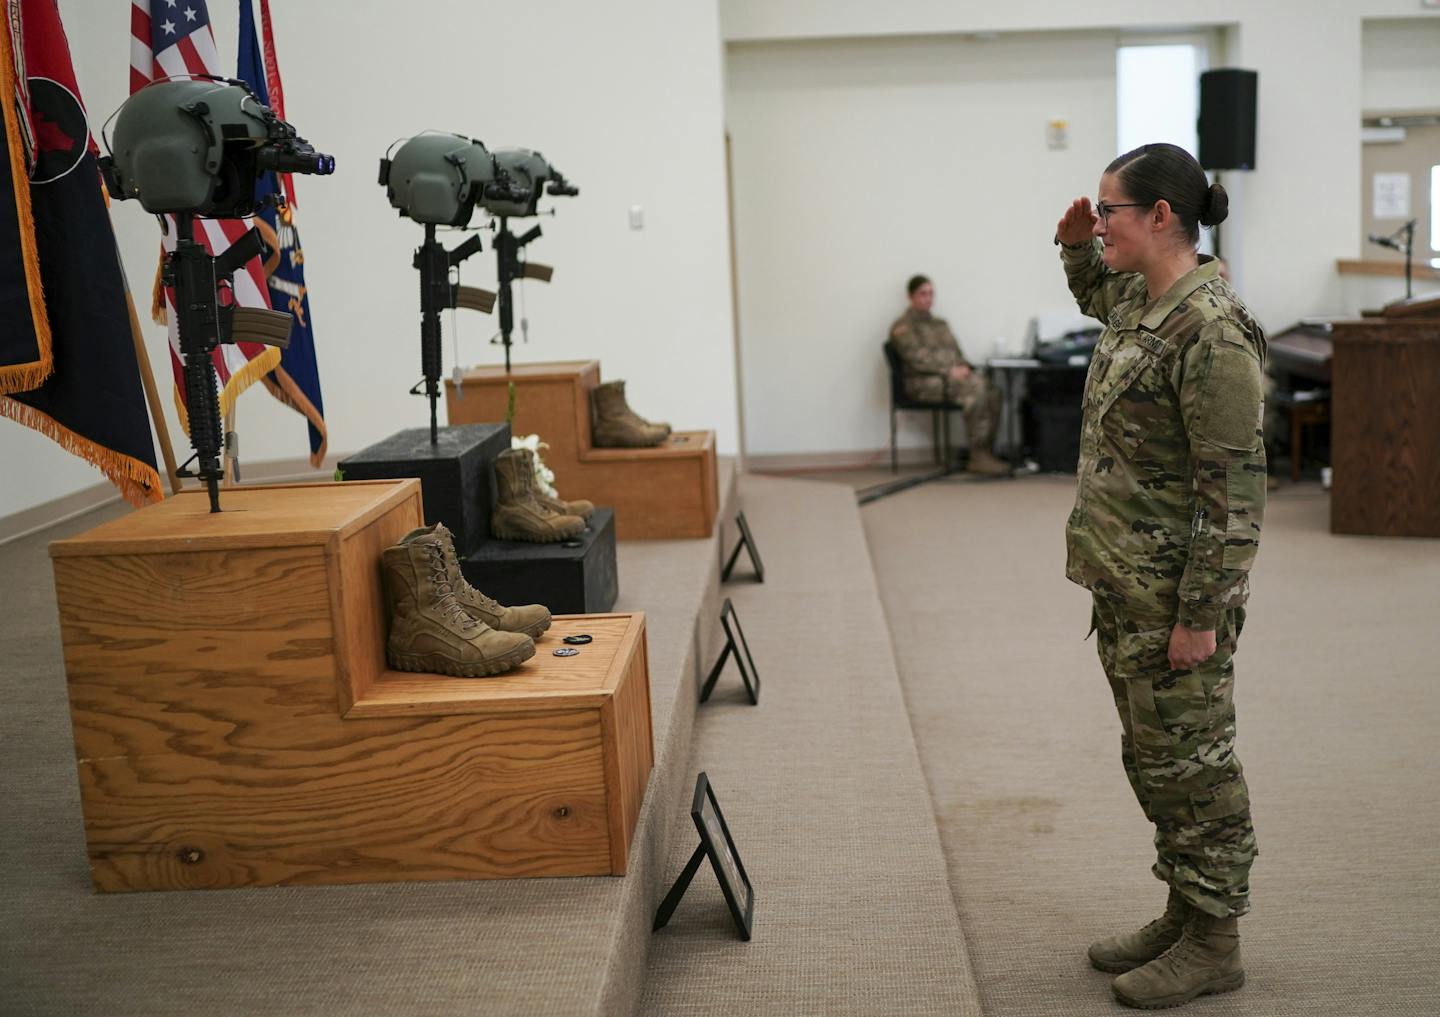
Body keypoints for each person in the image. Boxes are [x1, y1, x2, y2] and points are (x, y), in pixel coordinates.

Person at [1054, 143, 1266, 1010]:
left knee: (1196, 764)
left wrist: (1201, 615)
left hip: (1176, 597)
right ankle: (1184, 909)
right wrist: (1075, 250)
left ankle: (1217, 939)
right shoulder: (1149, 303)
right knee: (1155, 759)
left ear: (1161, 216)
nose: (1099, 222)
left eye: (1108, 211)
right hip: (1127, 586)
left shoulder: (1214, 332)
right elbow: (1103, 303)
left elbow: (1232, 497)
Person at [888, 276, 1008, 476]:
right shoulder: (903, 326)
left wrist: (963, 367)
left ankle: (985, 451)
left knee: (993, 391)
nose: (928, 298)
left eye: (931, 293)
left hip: (952, 378)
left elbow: (956, 353)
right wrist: (949, 371)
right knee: (977, 391)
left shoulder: (940, 324)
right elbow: (917, 359)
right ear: (911, 296)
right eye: (923, 293)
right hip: (923, 383)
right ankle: (978, 456)